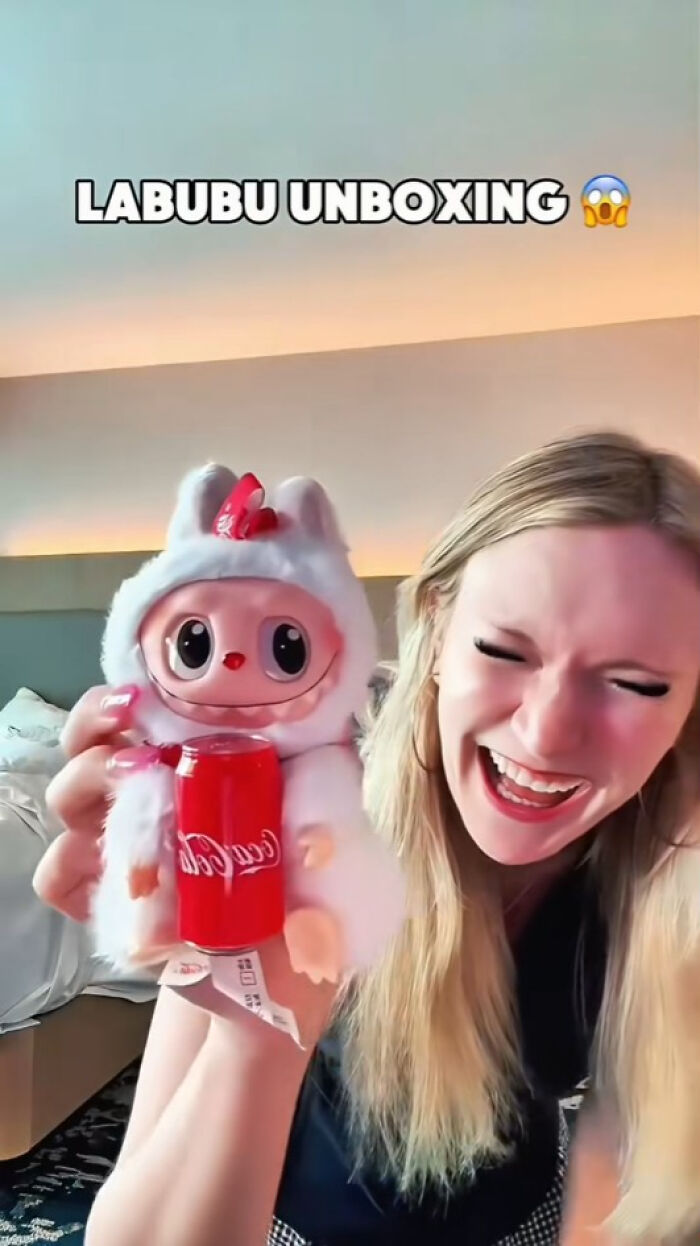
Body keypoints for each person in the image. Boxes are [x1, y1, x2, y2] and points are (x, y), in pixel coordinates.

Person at [33, 430, 700, 1246]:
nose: (547, 735)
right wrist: (262, 1025)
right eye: (502, 650)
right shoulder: (295, 815)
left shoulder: (669, 866)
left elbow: (619, 1185)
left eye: (635, 683)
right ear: (436, 627)